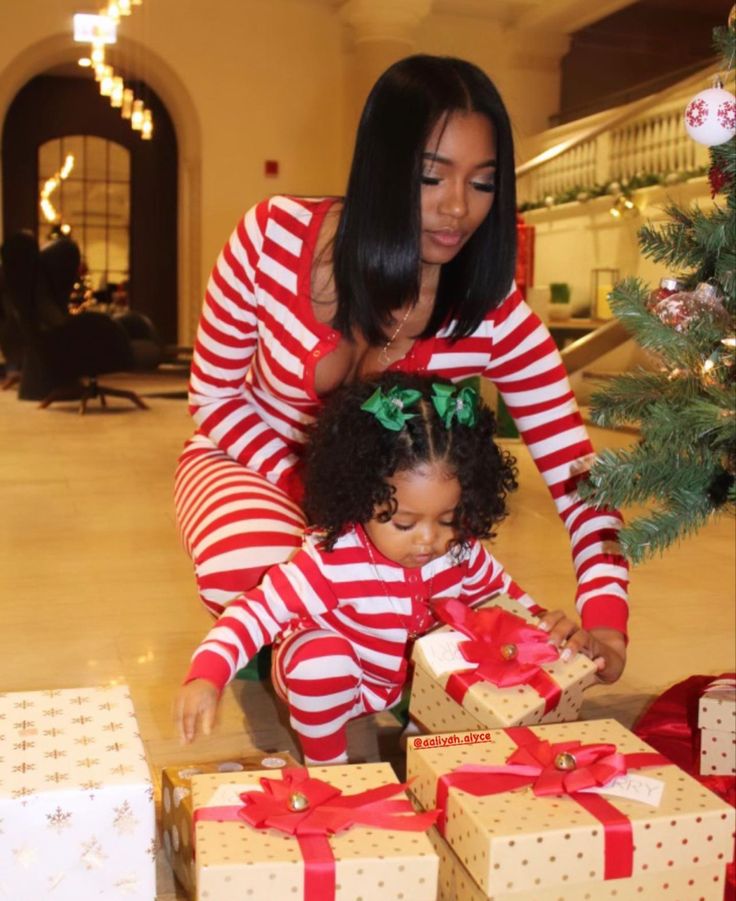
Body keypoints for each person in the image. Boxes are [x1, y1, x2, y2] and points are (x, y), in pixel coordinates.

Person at [174, 54, 628, 685]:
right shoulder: (270, 238)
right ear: (383, 171)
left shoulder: (492, 314)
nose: (457, 209)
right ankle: (305, 655)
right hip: (249, 459)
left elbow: (582, 479)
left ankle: (342, 658)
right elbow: (215, 399)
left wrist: (606, 618)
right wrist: (318, 502)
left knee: (428, 582)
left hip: (389, 507)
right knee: (259, 568)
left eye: (482, 183)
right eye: (431, 178)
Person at [176, 374, 613, 762]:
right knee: (318, 662)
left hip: (408, 682)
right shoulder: (329, 559)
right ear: (361, 497)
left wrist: (549, 631)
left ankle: (425, 748)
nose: (428, 540)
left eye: (447, 518)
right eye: (403, 522)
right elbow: (251, 616)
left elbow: (511, 608)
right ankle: (329, 769)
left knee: (477, 636)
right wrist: (206, 676)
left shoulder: (460, 552)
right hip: (342, 680)